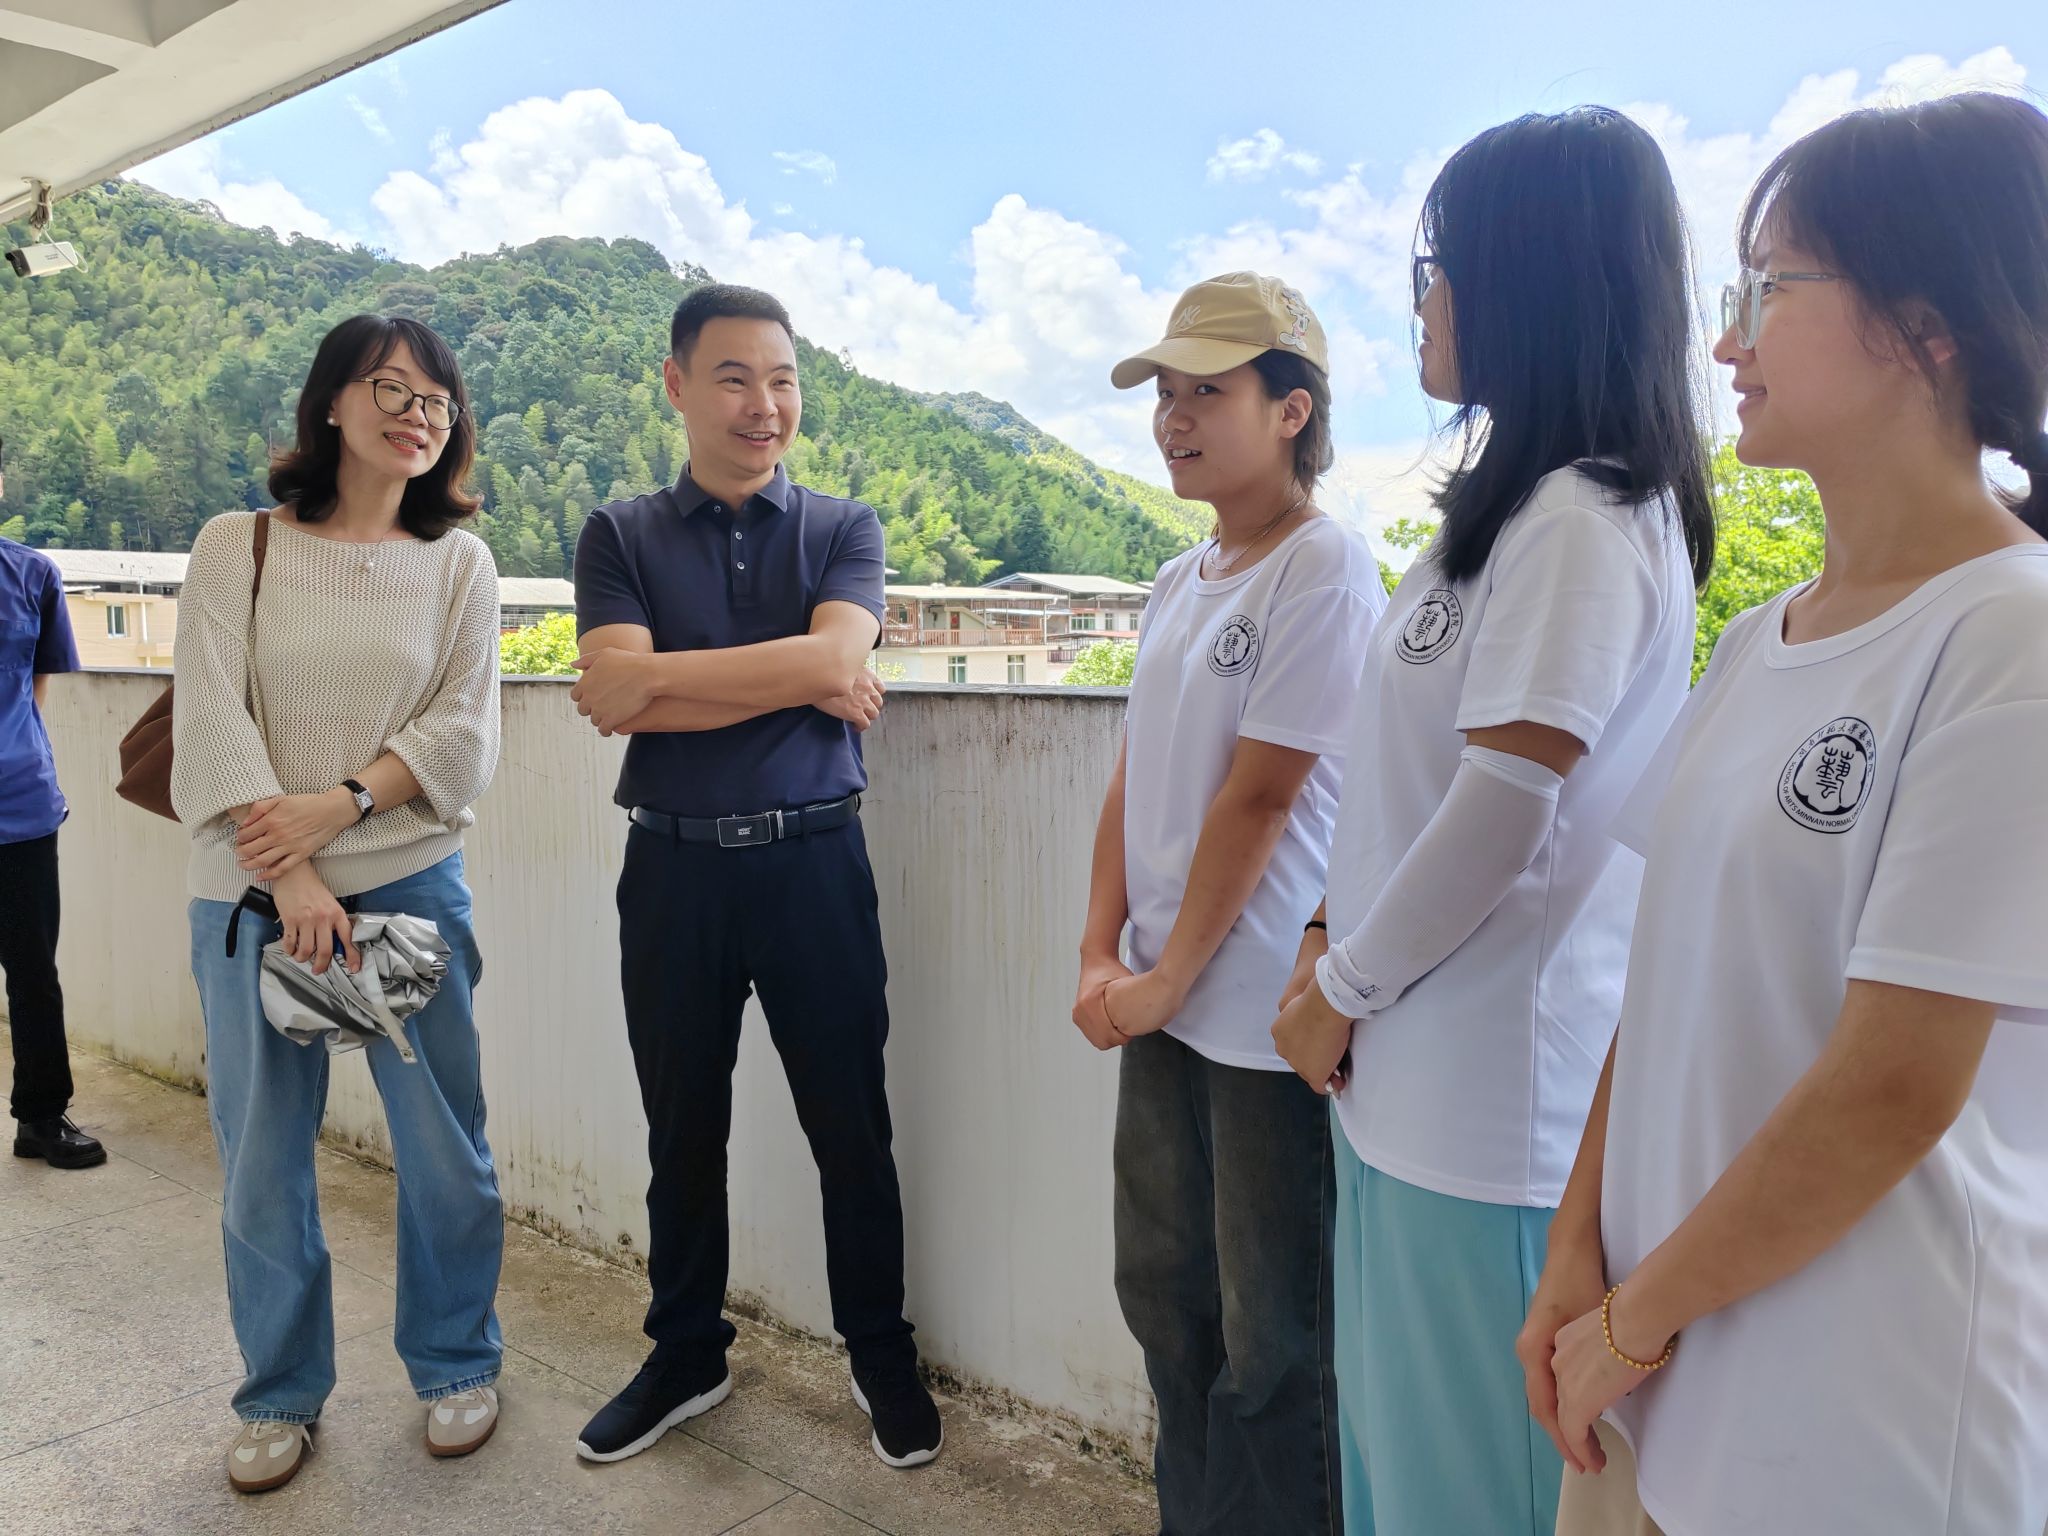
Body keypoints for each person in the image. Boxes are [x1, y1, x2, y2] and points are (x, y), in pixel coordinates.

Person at [1530, 92, 2048, 1536]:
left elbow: (1892, 1085)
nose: (1726, 342)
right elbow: (1664, 978)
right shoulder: (1762, 638)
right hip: (1660, 1376)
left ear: (1926, 328)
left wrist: (1633, 1318)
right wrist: (1577, 1251)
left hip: (1864, 1423)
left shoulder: (2011, 637)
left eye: (1769, 288)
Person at [1268, 108, 1713, 1536]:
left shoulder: (1586, 519)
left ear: (1528, 275)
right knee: (1399, 1491)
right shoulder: (1515, 513)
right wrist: (1329, 938)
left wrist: (1336, 988)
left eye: (1438, 266)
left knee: (1467, 1501)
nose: (1422, 301)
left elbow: (1501, 815)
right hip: (1405, 1101)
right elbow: (1402, 789)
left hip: (1492, 1127)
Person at [568, 283, 934, 1471]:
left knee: (851, 1127)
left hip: (814, 860)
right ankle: (686, 1353)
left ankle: (878, 1352)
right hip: (670, 870)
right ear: (677, 385)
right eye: (733, 377)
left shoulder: (842, 527)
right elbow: (613, 696)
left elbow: (824, 659)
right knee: (681, 1130)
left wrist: (671, 676)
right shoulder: (620, 533)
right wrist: (802, 675)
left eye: (782, 380)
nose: (762, 404)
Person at [172, 315, 506, 1492]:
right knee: (262, 1160)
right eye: (391, 390)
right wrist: (293, 869)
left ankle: (457, 1361)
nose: (417, 416)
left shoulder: (458, 564)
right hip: (253, 894)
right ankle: (278, 1392)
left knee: (442, 1147)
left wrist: (342, 807)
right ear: (330, 401)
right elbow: (211, 710)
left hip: (407, 881)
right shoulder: (239, 545)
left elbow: (462, 726)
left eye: (437, 402)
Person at [1076, 271, 1384, 1534]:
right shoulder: (1176, 576)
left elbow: (1260, 801)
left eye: (1207, 391)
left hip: (1258, 1017)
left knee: (1273, 1342)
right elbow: (1134, 774)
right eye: (1165, 391)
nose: (1173, 416)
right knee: (1165, 1301)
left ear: (1291, 409)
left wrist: (1161, 979)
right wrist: (1099, 952)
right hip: (1161, 1001)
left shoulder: (1324, 570)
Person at [1, 432, 104, 1170]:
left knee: (33, 969)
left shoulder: (33, 573)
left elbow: (35, 687)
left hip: (21, 806)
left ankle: (42, 1117)